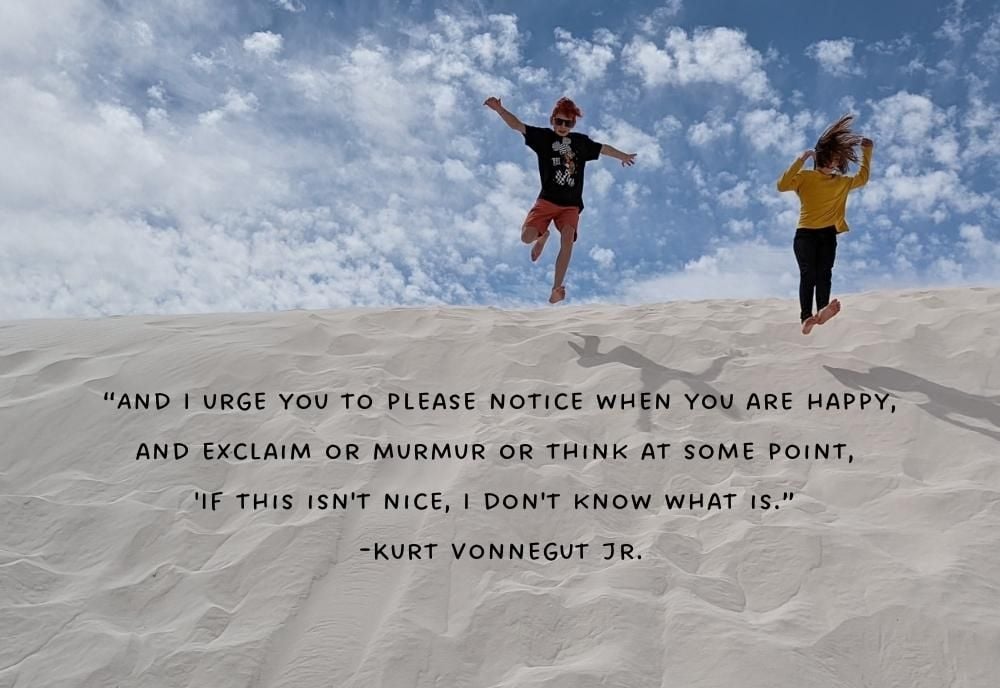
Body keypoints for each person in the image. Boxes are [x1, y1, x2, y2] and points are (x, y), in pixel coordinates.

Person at [484, 96, 636, 303]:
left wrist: (623, 156)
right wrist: (499, 110)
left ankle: (556, 288)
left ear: (573, 124)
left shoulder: (580, 143)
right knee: (526, 238)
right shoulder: (544, 138)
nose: (563, 126)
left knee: (567, 239)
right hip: (547, 201)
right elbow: (517, 125)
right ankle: (542, 235)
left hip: (570, 206)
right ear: (552, 119)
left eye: (568, 123)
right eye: (559, 121)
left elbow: (603, 149)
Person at [777, 114, 874, 334]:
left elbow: (863, 178)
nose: (837, 162)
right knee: (808, 273)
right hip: (805, 234)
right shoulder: (805, 177)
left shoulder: (841, 182)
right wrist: (801, 159)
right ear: (825, 156)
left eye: (839, 159)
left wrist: (867, 152)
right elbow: (782, 185)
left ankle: (821, 310)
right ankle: (805, 317)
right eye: (834, 157)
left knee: (825, 272)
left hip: (828, 234)